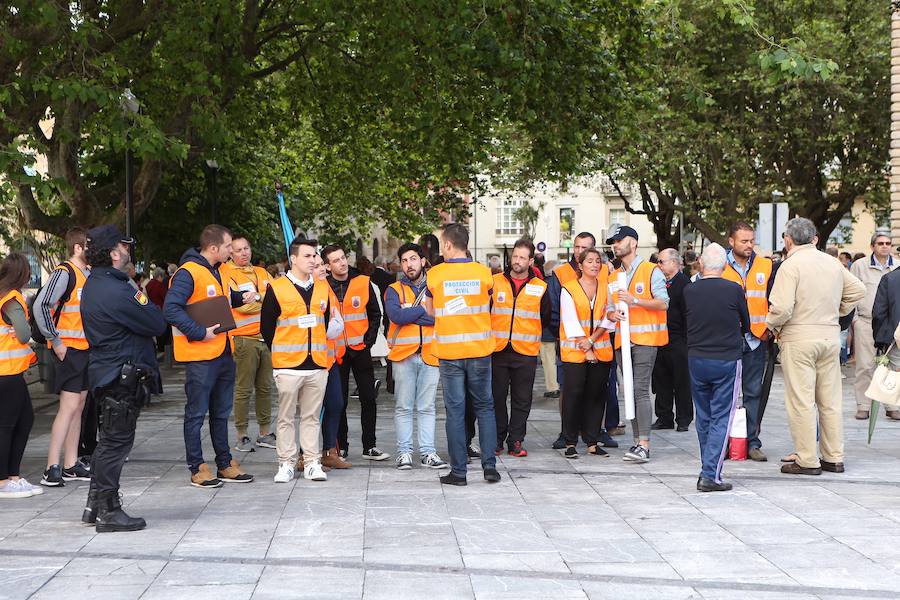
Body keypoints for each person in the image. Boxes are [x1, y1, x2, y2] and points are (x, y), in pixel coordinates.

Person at [79, 226, 167, 531]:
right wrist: (136, 291)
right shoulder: (117, 288)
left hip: (111, 373)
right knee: (116, 443)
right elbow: (156, 322)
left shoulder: (99, 283)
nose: (128, 250)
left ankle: (95, 505)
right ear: (115, 253)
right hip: (119, 376)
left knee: (109, 443)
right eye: (123, 246)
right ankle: (109, 510)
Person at [766, 217, 864, 476]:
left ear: (788, 240)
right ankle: (834, 457)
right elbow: (858, 290)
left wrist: (771, 325)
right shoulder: (832, 262)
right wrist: (837, 311)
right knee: (830, 401)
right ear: (814, 238)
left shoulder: (790, 265)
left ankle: (808, 459)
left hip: (799, 337)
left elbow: (782, 307)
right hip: (829, 336)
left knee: (801, 401)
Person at [164, 224, 255, 488]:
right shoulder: (188, 273)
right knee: (196, 413)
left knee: (220, 411)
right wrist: (198, 332)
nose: (232, 251)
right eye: (228, 247)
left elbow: (220, 299)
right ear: (214, 248)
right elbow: (171, 309)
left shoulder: (219, 271)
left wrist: (239, 297)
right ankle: (198, 467)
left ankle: (224, 463)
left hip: (223, 351)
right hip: (200, 354)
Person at [424, 223, 501, 485]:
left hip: (450, 352)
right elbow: (488, 303)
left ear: (447, 245)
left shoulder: (435, 275)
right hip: (479, 351)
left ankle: (459, 472)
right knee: (485, 407)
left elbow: (431, 311)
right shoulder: (484, 273)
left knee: (455, 411)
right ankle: (490, 467)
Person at [261, 238, 344, 483]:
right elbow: (267, 328)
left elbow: (326, 322)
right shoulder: (277, 288)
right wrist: (281, 355)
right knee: (285, 417)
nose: (314, 260)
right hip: (288, 365)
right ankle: (286, 463)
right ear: (294, 259)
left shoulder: (321, 287)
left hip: (317, 364)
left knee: (311, 416)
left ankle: (311, 462)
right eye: (308, 256)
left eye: (315, 255)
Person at [683, 243, 750, 492]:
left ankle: (708, 467)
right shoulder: (733, 289)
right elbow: (745, 322)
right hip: (725, 358)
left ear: (701, 263)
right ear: (724, 265)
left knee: (704, 415)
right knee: (722, 416)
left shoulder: (690, 290)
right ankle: (710, 473)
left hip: (697, 357)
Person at [606, 225, 669, 463]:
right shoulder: (613, 276)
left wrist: (635, 301)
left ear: (633, 243)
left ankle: (644, 444)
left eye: (619, 241)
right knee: (630, 392)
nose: (615, 245)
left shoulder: (651, 270)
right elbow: (609, 309)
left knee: (640, 390)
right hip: (623, 341)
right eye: (613, 242)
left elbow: (664, 303)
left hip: (645, 340)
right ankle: (637, 442)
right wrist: (612, 315)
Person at [34, 227, 92, 487]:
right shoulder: (64, 272)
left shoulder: (86, 274)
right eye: (88, 245)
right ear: (77, 248)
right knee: (69, 407)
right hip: (68, 349)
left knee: (78, 406)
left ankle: (71, 463)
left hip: (84, 349)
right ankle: (52, 467)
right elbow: (42, 304)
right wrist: (55, 341)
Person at [384, 243, 447, 470]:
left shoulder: (436, 287)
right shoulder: (393, 289)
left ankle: (428, 453)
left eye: (413, 259)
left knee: (427, 406)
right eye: (404, 261)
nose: (409, 264)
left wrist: (411, 313)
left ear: (422, 261)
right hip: (404, 356)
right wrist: (423, 310)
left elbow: (441, 317)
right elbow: (396, 315)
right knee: (403, 406)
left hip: (431, 354)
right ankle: (404, 453)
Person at [324, 245, 388, 461]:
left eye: (343, 258)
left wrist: (369, 340)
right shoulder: (322, 286)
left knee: (368, 398)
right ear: (327, 265)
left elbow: (375, 313)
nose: (342, 262)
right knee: (337, 400)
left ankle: (369, 446)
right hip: (336, 351)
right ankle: (341, 446)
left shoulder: (362, 281)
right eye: (335, 260)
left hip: (360, 349)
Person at [721, 221, 776, 462]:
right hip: (727, 339)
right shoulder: (719, 265)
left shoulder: (766, 265)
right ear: (731, 241)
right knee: (725, 394)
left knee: (753, 392)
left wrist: (769, 329)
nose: (749, 245)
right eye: (743, 241)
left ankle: (753, 442)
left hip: (756, 338)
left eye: (752, 240)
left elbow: (774, 299)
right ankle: (724, 442)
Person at [490, 239, 550, 457]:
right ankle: (496, 439)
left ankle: (516, 440)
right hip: (497, 350)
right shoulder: (495, 282)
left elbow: (544, 317)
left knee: (522, 399)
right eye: (515, 256)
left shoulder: (541, 287)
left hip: (525, 351)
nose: (517, 261)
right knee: (496, 397)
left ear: (531, 261)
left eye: (522, 257)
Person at [558, 247, 613, 458]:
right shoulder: (568, 289)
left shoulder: (606, 287)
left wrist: (592, 340)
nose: (594, 264)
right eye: (589, 261)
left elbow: (608, 317)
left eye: (597, 261)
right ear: (579, 265)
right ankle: (570, 441)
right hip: (575, 352)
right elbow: (570, 322)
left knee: (596, 396)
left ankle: (592, 441)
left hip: (600, 350)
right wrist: (585, 346)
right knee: (573, 395)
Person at [225, 235, 276, 451]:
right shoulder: (226, 274)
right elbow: (239, 307)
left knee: (265, 388)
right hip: (243, 339)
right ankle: (242, 434)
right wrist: (263, 300)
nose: (244, 253)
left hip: (266, 339)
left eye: (246, 248)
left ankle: (264, 433)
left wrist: (256, 298)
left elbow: (278, 298)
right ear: (230, 253)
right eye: (238, 250)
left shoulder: (262, 272)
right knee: (243, 389)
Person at [547, 232, 597, 449]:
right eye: (577, 247)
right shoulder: (560, 273)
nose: (580, 251)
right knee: (568, 389)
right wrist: (563, 335)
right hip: (569, 343)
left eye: (585, 247)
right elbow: (553, 309)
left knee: (594, 390)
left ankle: (593, 432)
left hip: (596, 343)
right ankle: (566, 432)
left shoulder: (601, 272)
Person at [0, 253, 41, 499]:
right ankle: (4, 480)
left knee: (23, 420)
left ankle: (12, 476)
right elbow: (25, 334)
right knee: (8, 426)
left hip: (7, 372)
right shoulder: (13, 299)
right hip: (8, 372)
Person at [850, 230, 898, 420]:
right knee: (865, 365)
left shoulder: (897, 267)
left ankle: (891, 405)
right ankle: (863, 405)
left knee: (893, 366)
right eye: (880, 243)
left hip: (892, 324)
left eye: (888, 243)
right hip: (866, 322)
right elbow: (851, 293)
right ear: (872, 246)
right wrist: (854, 320)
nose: (884, 246)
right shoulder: (859, 266)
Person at [313, 254, 352, 470]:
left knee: (336, 403)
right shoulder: (308, 291)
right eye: (317, 265)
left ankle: (329, 451)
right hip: (309, 360)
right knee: (311, 410)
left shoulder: (325, 288)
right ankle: (305, 455)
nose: (323, 269)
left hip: (330, 358)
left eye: (321, 265)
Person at [652, 248, 693, 432]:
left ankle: (683, 418)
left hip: (678, 339)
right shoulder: (659, 283)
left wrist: (686, 342)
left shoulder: (685, 284)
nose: (658, 265)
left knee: (681, 380)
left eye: (662, 261)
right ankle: (664, 417)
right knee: (661, 379)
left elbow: (688, 314)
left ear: (674, 263)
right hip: (660, 336)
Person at [145, 267, 169, 354]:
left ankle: (159, 347)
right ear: (159, 276)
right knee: (164, 331)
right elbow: (166, 298)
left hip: (152, 310)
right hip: (161, 310)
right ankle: (163, 348)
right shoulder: (160, 286)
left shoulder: (148, 285)